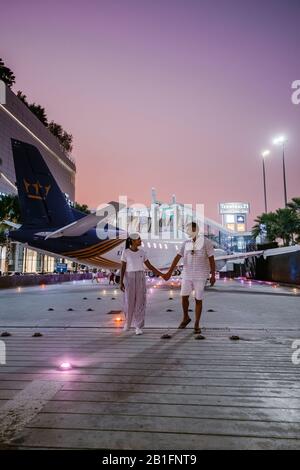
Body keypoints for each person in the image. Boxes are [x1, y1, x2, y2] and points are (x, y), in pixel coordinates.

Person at [164, 222, 216, 335]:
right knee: (184, 298)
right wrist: (169, 272)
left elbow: (212, 259)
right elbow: (177, 257)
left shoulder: (206, 242)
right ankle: (186, 317)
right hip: (187, 275)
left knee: (198, 299)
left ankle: (196, 323)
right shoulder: (185, 243)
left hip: (200, 275)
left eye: (190, 229)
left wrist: (213, 275)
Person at [120, 233, 163, 335]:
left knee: (140, 302)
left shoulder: (142, 252)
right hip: (129, 277)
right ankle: (128, 323)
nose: (141, 241)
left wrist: (161, 274)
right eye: (139, 239)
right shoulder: (125, 252)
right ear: (133, 241)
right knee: (129, 301)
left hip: (140, 277)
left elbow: (150, 266)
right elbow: (122, 268)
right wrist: (121, 281)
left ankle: (138, 326)